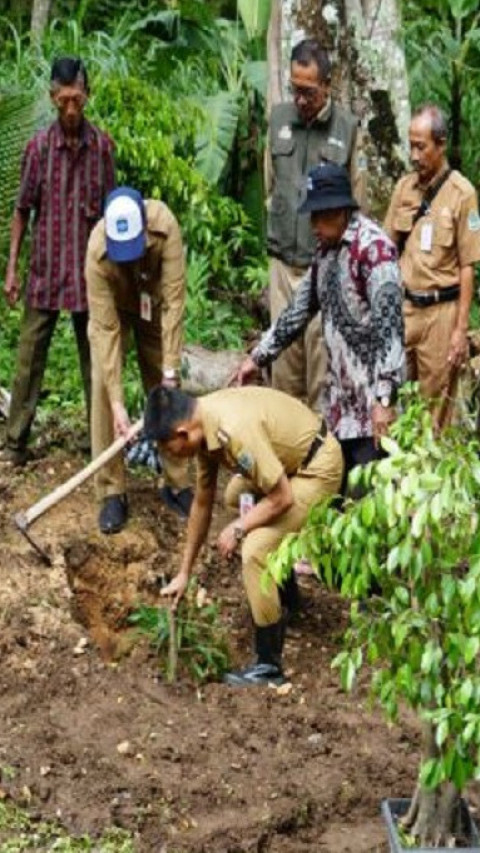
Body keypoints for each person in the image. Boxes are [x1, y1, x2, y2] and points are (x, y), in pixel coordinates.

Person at [143, 385, 344, 687]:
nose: (169, 456)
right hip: (288, 464)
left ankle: (269, 667)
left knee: (254, 550)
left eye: (168, 448)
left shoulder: (233, 430)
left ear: (183, 434)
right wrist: (184, 572)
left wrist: (238, 529)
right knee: (233, 495)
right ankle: (285, 597)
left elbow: (281, 498)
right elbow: (202, 501)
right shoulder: (204, 426)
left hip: (316, 469)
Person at [236, 162, 404, 487]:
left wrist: (385, 401)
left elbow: (391, 334)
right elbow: (298, 311)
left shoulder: (374, 251)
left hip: (372, 413)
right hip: (340, 411)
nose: (313, 225)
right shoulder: (325, 252)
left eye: (319, 215)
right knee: (338, 503)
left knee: (370, 504)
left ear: (340, 210)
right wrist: (257, 357)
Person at [2, 56, 115, 466]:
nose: (71, 109)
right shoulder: (37, 149)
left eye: (77, 100)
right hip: (46, 271)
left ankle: (100, 442)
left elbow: (112, 215)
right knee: (29, 357)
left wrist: (118, 273)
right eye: (64, 101)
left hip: (90, 274)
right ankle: (15, 444)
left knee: (97, 360)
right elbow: (21, 210)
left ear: (87, 96)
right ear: (53, 97)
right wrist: (13, 268)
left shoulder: (102, 147)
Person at [86, 186, 193, 534]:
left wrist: (170, 372)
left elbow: (175, 304)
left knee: (167, 392)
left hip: (153, 305)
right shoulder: (97, 251)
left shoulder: (165, 226)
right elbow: (105, 330)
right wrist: (118, 404)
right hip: (114, 310)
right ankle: (111, 491)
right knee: (104, 388)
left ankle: (177, 481)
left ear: (145, 229)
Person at [267, 38, 365, 413]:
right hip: (282, 266)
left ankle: (320, 464)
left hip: (325, 267)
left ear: (327, 85)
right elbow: (270, 184)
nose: (301, 98)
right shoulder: (278, 119)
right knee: (283, 372)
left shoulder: (347, 128)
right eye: (295, 89)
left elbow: (357, 203)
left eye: (308, 90)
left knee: (321, 375)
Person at [384, 104, 480, 427]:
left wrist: (460, 331)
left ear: (440, 145)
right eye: (410, 145)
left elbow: (468, 266)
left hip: (441, 315)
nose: (414, 154)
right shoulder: (404, 188)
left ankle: (424, 474)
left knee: (434, 411)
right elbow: (387, 249)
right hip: (405, 309)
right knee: (394, 399)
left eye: (421, 146)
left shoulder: (462, 194)